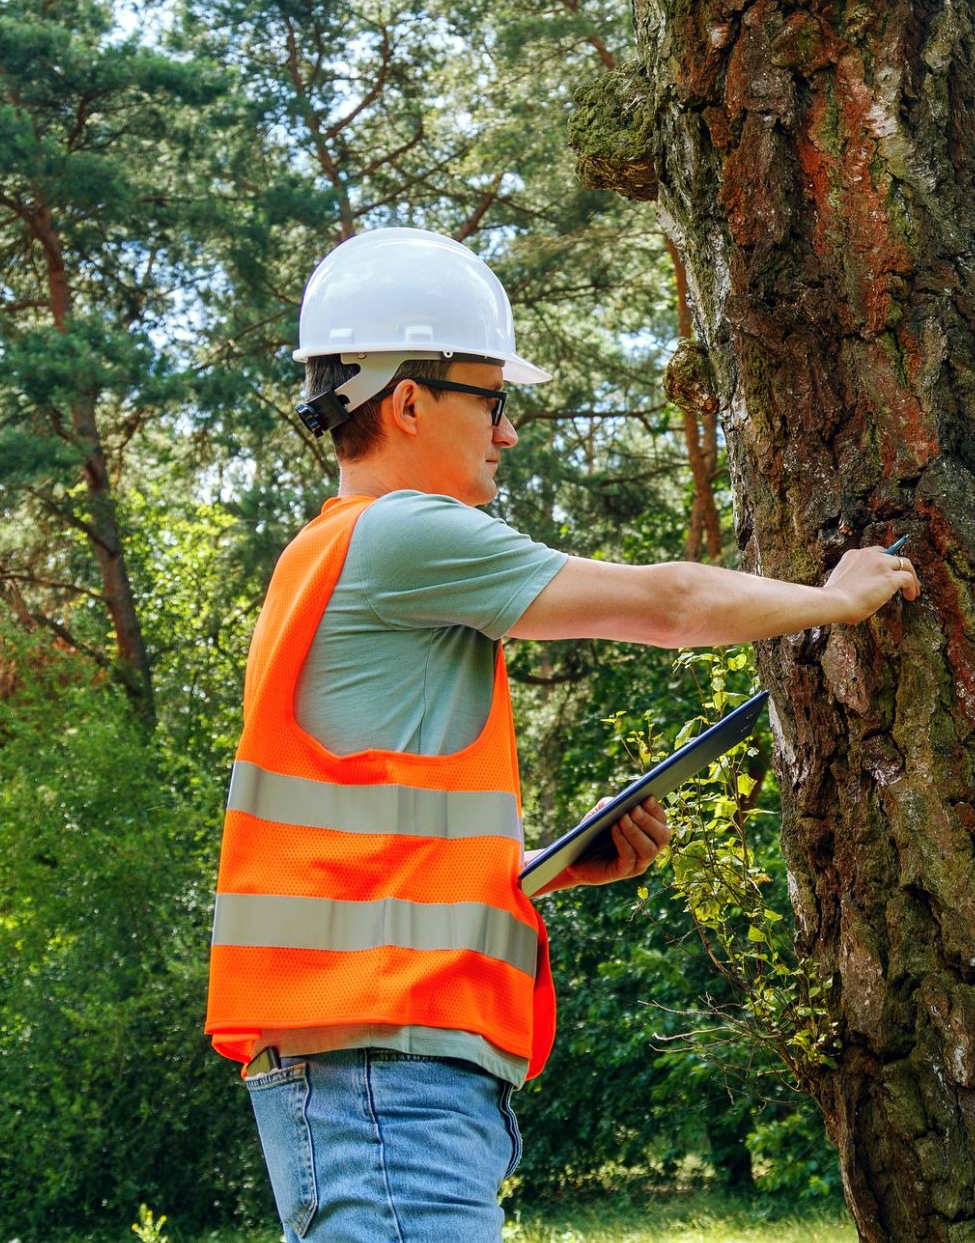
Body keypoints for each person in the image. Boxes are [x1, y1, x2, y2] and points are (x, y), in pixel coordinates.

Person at [204, 228, 918, 1241]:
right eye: (492, 400)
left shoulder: (329, 558)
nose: (506, 433)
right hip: (384, 1077)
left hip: (374, 1072)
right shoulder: (400, 532)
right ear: (406, 403)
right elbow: (668, 605)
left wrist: (535, 870)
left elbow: (371, 856)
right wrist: (836, 597)